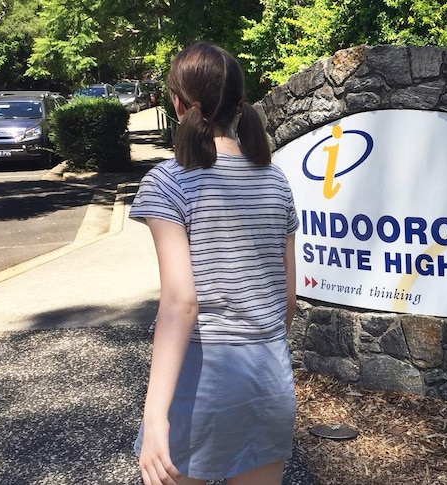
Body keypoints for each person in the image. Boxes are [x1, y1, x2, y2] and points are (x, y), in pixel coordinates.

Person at [129, 42, 298, 485]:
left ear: (177, 103)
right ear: (240, 104)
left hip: (202, 377)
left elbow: (182, 302)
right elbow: (288, 299)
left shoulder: (168, 182)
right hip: (269, 371)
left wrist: (155, 415)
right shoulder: (275, 180)